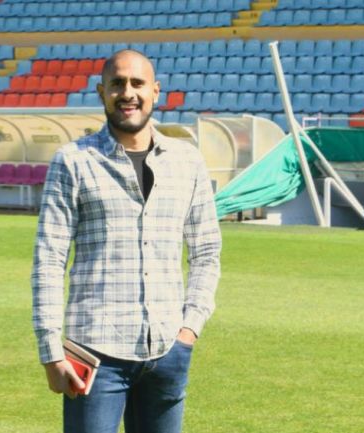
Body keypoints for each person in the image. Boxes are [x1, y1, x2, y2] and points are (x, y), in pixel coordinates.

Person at [31, 49, 222, 433]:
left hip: (169, 350)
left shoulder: (187, 161)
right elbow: (49, 259)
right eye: (117, 84)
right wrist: (51, 351)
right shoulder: (72, 161)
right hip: (95, 353)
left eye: (137, 83)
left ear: (155, 90)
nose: (127, 93)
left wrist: (190, 329)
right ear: (101, 92)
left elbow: (206, 251)